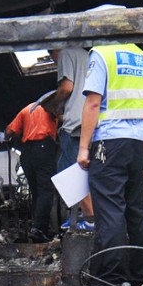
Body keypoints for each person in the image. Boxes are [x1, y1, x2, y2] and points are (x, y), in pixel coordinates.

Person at [76, 43, 143, 286]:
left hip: (109, 141)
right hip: (138, 143)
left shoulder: (102, 54)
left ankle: (111, 280)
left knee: (110, 211)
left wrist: (83, 147)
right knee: (136, 209)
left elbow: (92, 103)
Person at [3, 91, 59, 243]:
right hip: (44, 148)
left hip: (27, 152)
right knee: (46, 191)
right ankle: (39, 229)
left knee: (36, 192)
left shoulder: (26, 110)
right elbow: (62, 118)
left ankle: (39, 227)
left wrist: (6, 137)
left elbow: (9, 131)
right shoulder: (51, 107)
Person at [49, 47, 95, 229]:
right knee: (87, 171)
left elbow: (67, 87)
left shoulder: (66, 54)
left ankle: (91, 218)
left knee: (67, 171)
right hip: (91, 119)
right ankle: (86, 216)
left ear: (54, 52)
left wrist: (53, 104)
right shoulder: (89, 55)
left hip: (76, 122)